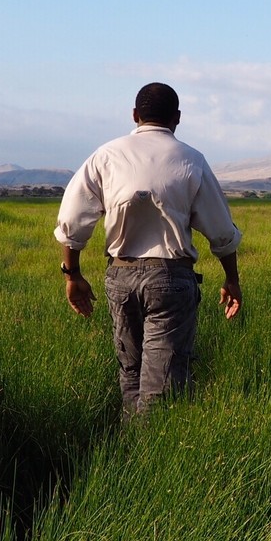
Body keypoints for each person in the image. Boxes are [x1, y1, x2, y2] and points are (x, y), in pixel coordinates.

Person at [55, 82, 242, 417]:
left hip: (120, 277)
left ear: (135, 115)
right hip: (171, 279)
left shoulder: (106, 155)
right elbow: (221, 231)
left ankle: (129, 454)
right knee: (163, 388)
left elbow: (71, 221)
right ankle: (150, 459)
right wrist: (232, 279)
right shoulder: (191, 159)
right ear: (178, 118)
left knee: (130, 376)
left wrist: (73, 274)